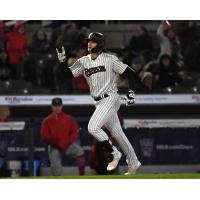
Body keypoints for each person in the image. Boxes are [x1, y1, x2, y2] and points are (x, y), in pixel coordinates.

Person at [56, 32, 141, 175]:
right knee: (118, 133)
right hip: (98, 101)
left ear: (100, 43)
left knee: (93, 127)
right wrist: (62, 60)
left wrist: (131, 92)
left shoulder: (110, 59)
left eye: (93, 41)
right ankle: (133, 162)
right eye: (88, 41)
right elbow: (66, 75)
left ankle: (113, 152)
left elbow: (131, 74)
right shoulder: (83, 61)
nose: (89, 43)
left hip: (110, 98)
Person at [40, 97, 85, 176]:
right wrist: (55, 143)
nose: (57, 107)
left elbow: (75, 132)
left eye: (59, 105)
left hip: (68, 146)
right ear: (52, 106)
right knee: (56, 171)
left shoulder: (69, 118)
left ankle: (82, 176)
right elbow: (44, 135)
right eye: (55, 105)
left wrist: (68, 142)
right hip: (54, 147)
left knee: (80, 151)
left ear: (62, 106)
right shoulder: (47, 120)